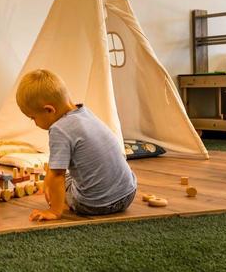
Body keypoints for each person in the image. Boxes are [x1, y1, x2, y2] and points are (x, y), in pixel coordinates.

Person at [15, 69, 137, 221]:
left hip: (96, 205)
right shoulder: (85, 112)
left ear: (49, 110)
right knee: (61, 176)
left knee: (57, 179)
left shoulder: (59, 129)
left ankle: (58, 206)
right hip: (128, 193)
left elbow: (57, 175)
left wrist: (54, 210)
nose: (34, 123)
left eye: (33, 118)